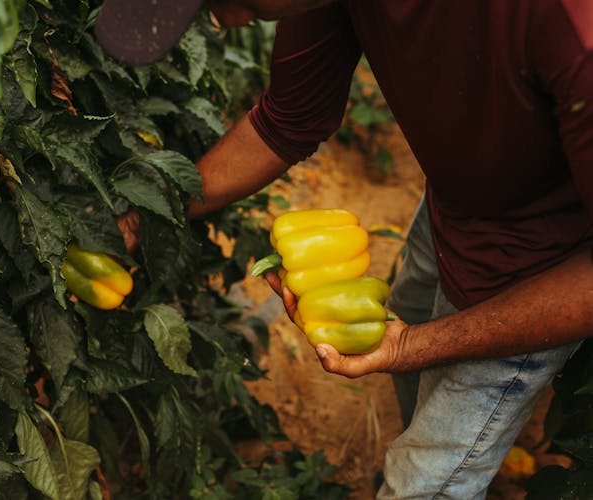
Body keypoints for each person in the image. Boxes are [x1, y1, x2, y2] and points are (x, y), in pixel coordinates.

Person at [97, 1, 593, 498]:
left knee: (422, 484)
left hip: (546, 266)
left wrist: (411, 345)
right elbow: (290, 117)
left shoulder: (572, 28)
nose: (224, 18)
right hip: (460, 203)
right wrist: (144, 215)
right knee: (414, 345)